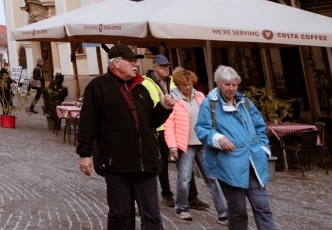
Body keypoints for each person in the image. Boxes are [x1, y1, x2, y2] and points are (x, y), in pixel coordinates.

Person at [76, 44, 175, 230]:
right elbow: (88, 122)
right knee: (121, 214)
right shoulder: (98, 87)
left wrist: (163, 108)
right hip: (117, 163)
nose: (136, 64)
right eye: (130, 61)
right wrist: (85, 154)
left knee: (152, 216)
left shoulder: (140, 88)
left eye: (136, 60)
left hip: (145, 163)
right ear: (115, 63)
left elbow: (150, 122)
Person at [195, 65, 276, 230]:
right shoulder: (210, 104)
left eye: (234, 84)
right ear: (218, 83)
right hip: (228, 165)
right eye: (227, 84)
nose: (231, 88)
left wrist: (263, 149)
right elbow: (201, 129)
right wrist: (218, 138)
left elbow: (260, 126)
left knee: (263, 207)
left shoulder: (245, 101)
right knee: (238, 211)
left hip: (253, 162)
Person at [164, 68, 226, 223]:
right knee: (184, 177)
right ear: (178, 84)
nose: (188, 87)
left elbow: (210, 118)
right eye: (184, 85)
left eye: (190, 84)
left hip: (203, 143)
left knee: (212, 177)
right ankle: (182, 208)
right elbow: (169, 125)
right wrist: (172, 146)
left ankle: (224, 212)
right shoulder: (173, 99)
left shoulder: (200, 97)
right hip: (185, 145)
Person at [143, 54, 175, 206]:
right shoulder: (146, 82)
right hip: (160, 127)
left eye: (167, 65)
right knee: (162, 162)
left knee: (183, 161)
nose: (166, 68)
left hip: (176, 126)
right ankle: (166, 193)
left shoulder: (173, 81)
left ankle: (191, 195)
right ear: (154, 67)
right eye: (163, 66)